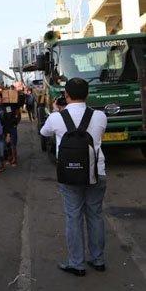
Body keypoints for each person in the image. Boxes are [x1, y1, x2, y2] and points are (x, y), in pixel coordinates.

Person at [40, 78, 108, 277]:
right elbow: (99, 136)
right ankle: (98, 260)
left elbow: (44, 133)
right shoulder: (100, 116)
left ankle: (76, 263)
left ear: (66, 95)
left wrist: (56, 111)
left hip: (69, 174)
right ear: (87, 95)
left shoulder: (55, 117)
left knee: (73, 217)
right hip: (97, 171)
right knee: (95, 215)